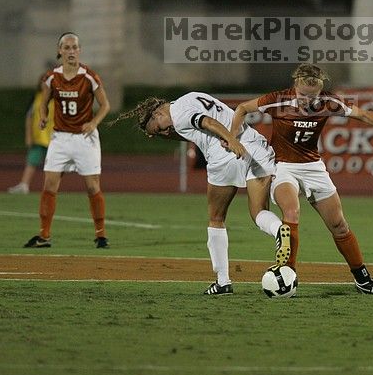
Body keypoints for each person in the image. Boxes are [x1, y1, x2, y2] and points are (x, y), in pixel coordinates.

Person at [230, 63, 373, 295]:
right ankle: (287, 274)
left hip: (314, 169)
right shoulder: (278, 100)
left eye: (312, 97)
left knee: (339, 226)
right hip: (284, 168)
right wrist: (233, 138)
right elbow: (242, 108)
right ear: (295, 86)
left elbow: (361, 114)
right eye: (302, 96)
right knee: (291, 213)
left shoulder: (328, 102)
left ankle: (362, 279)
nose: (306, 101)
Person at [112, 92, 291, 295]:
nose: (165, 133)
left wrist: (230, 140)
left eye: (160, 129)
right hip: (256, 145)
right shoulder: (191, 98)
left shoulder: (178, 114)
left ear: (158, 112)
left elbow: (207, 122)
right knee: (258, 212)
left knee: (216, 218)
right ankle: (278, 230)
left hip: (226, 152)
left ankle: (222, 282)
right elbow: (200, 125)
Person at [23, 33, 111, 249]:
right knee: (49, 185)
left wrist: (94, 123)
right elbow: (44, 102)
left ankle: (101, 236)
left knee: (93, 186)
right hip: (60, 138)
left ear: (80, 50)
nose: (72, 51)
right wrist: (43, 117)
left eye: (75, 47)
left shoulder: (89, 76)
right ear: (59, 51)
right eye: (67, 47)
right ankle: (44, 236)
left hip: (85, 138)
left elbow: (105, 105)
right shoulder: (51, 77)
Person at [8, 71, 55, 194]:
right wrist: (28, 136)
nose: (44, 84)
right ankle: (24, 185)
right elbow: (29, 117)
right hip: (38, 137)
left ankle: (50, 188)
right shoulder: (36, 97)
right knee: (31, 161)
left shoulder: (57, 97)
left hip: (54, 137)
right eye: (42, 81)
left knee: (52, 164)